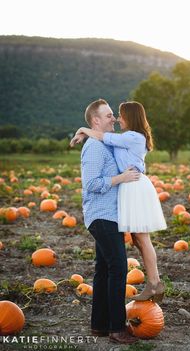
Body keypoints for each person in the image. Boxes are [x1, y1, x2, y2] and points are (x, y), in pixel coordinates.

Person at [71, 101, 167, 303]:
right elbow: (103, 140)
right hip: (129, 187)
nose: (117, 119)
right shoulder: (124, 138)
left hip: (134, 185)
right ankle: (153, 282)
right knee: (137, 238)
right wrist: (86, 133)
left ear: (130, 117)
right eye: (113, 116)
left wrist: (82, 129)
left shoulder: (133, 137)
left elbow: (103, 136)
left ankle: (155, 283)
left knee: (142, 238)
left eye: (120, 115)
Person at [71, 99, 139, 344]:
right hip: (102, 216)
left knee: (103, 270)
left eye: (113, 115)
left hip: (110, 216)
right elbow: (90, 184)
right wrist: (121, 178)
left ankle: (99, 326)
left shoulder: (104, 143)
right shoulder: (94, 148)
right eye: (108, 115)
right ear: (96, 121)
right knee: (119, 268)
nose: (113, 119)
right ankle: (116, 328)